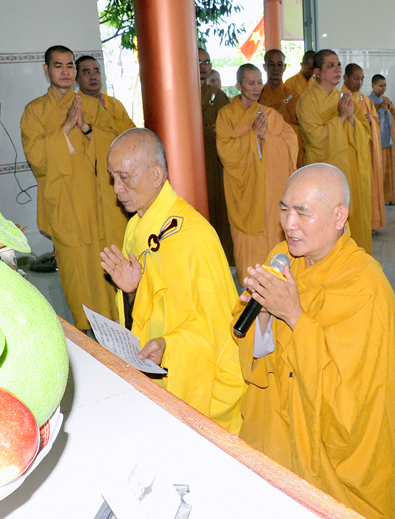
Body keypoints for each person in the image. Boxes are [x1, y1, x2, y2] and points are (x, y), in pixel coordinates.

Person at [234, 163, 395, 519]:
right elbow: (258, 350)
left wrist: (294, 316)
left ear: (339, 217)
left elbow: (351, 397)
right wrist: (263, 315)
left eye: (303, 212)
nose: (289, 224)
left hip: (329, 454)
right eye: (284, 209)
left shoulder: (366, 285)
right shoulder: (282, 256)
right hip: (276, 429)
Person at [100, 128, 245, 433]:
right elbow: (144, 310)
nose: (117, 189)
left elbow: (218, 326)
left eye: (124, 177)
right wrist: (131, 292)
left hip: (189, 379)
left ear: (156, 175)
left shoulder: (195, 236)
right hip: (152, 367)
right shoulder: (136, 226)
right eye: (113, 177)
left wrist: (170, 345)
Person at [21, 45, 127, 331]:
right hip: (66, 204)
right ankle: (86, 328)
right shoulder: (34, 111)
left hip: (99, 203)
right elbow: (37, 157)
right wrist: (65, 128)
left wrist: (87, 128)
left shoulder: (91, 107)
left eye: (70, 66)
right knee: (77, 270)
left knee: (110, 262)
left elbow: (115, 146)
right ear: (47, 70)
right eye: (58, 66)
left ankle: (120, 327)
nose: (65, 71)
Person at [216, 64, 298, 278]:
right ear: (238, 85)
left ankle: (274, 277)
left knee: (271, 232)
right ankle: (249, 283)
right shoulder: (226, 114)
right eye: (251, 83)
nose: (256, 87)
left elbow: (290, 141)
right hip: (242, 188)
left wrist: (265, 137)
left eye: (259, 82)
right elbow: (225, 150)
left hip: (269, 189)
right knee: (246, 239)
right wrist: (252, 135)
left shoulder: (270, 114)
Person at [296, 49, 373, 254]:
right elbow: (315, 138)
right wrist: (341, 117)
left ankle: (355, 262)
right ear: (317, 72)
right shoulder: (306, 102)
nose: (337, 69)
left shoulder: (343, 98)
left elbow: (364, 132)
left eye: (338, 65)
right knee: (328, 221)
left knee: (352, 219)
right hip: (325, 173)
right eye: (331, 66)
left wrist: (350, 117)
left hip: (350, 170)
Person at [199, 47, 234, 266]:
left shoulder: (218, 96)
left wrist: (217, 130)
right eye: (198, 62)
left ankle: (222, 261)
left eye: (206, 62)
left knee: (219, 210)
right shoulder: (180, 94)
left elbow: (230, 127)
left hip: (216, 162)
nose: (203, 67)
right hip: (191, 164)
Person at [341, 63, 385, 230]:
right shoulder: (339, 99)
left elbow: (376, 123)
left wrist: (370, 122)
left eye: (362, 79)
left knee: (368, 187)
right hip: (348, 152)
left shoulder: (365, 100)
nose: (359, 82)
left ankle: (369, 222)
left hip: (366, 151)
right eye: (356, 78)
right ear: (345, 78)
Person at [75, 55, 136, 134]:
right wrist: (101, 114)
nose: (93, 77)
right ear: (77, 79)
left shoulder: (114, 103)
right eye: (87, 73)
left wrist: (105, 113)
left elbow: (132, 132)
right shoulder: (74, 106)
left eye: (96, 72)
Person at [370, 74, 395, 205]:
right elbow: (369, 119)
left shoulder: (387, 100)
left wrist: (386, 110)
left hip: (389, 141)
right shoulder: (368, 101)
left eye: (385, 86)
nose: (383, 88)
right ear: (373, 86)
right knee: (378, 169)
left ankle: (391, 197)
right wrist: (381, 109)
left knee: (391, 168)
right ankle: (379, 198)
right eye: (380, 86)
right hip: (376, 142)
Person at [284, 51, 316, 168]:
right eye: (309, 68)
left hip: (312, 129)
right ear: (302, 65)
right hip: (296, 128)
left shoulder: (316, 83)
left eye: (314, 69)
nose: (312, 71)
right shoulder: (290, 83)